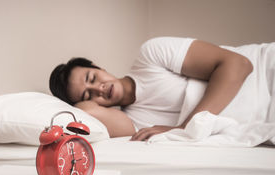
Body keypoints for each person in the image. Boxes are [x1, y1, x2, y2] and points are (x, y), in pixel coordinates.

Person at [49, 37, 270, 141]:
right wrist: (79, 104)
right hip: (262, 117)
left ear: (99, 67)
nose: (99, 88)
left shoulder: (151, 56)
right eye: (88, 94)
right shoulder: (133, 123)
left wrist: (185, 127)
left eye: (92, 77)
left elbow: (239, 65)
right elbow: (87, 113)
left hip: (266, 74)